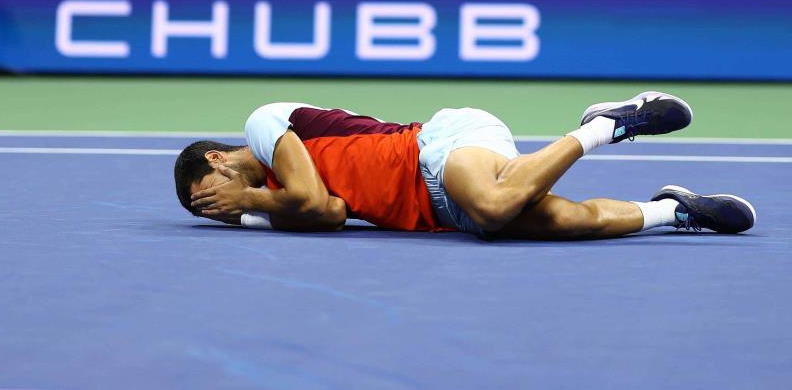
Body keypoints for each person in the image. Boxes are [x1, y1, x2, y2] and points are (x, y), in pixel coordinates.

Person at [176, 92, 756, 238]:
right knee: (573, 221)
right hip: (438, 211)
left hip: (439, 146)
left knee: (497, 203)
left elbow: (308, 197)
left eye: (212, 193)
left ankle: (608, 124)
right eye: (211, 212)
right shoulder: (278, 202)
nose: (219, 207)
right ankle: (673, 211)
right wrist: (250, 212)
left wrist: (250, 202)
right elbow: (328, 212)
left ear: (218, 157)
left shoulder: (263, 125)